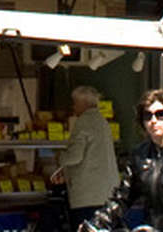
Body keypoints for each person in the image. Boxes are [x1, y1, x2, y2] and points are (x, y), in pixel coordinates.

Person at [83, 89, 163, 232]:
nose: (153, 121)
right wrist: (97, 223)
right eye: (147, 116)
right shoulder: (140, 155)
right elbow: (122, 197)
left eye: (161, 115)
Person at [50, 85, 119, 227]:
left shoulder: (84, 122)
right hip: (106, 193)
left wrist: (60, 157)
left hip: (87, 195)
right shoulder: (102, 121)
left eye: (75, 103)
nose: (73, 107)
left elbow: (75, 156)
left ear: (83, 103)